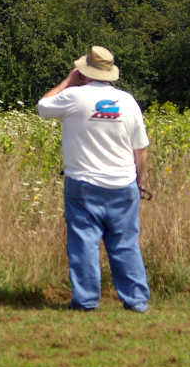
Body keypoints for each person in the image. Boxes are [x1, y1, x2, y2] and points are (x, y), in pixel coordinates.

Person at [37, 46, 151, 313]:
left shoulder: (73, 97)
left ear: (84, 71)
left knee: (84, 243)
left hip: (83, 184)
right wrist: (138, 183)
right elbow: (141, 150)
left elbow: (43, 107)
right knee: (125, 244)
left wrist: (68, 81)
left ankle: (86, 301)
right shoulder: (128, 101)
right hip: (123, 184)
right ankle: (136, 300)